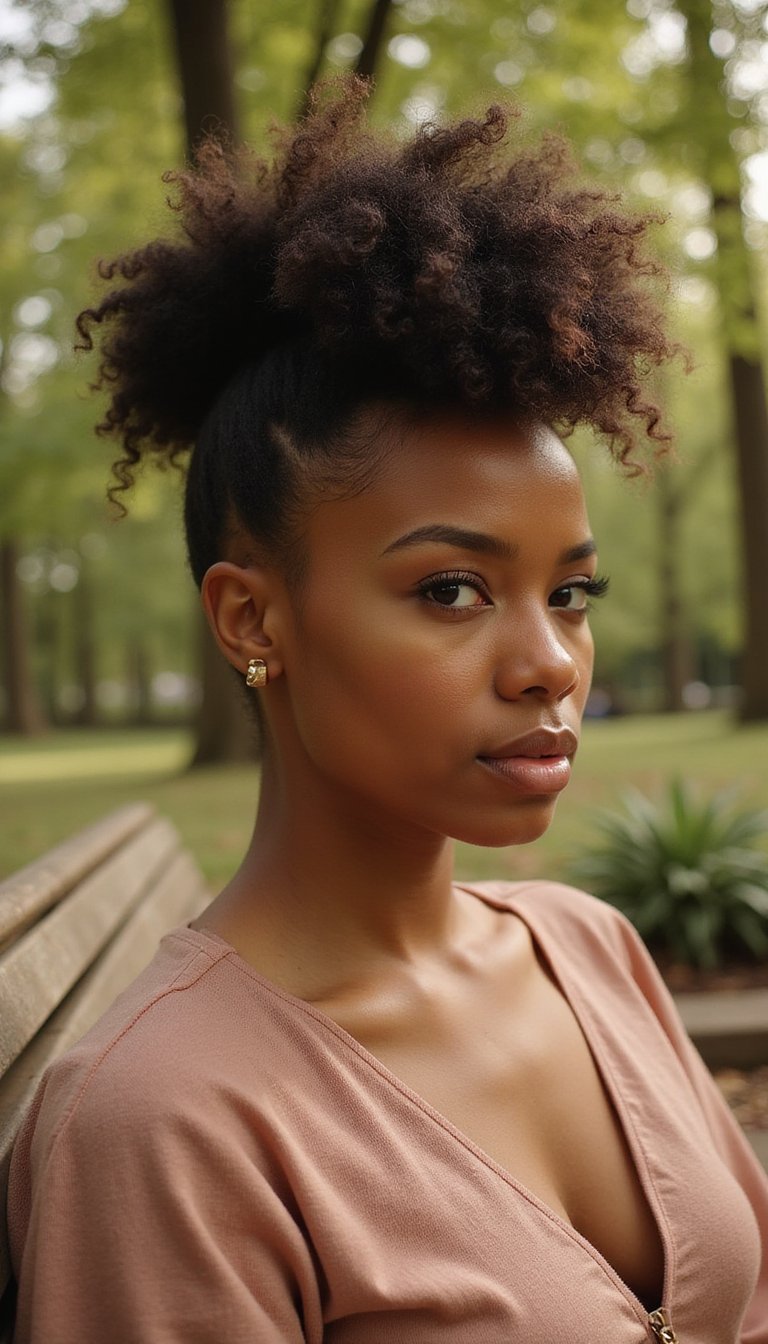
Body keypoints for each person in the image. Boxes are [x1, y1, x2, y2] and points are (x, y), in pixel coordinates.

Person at [7, 81, 768, 1343]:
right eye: (453, 588)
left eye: (571, 592)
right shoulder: (168, 1123)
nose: (551, 665)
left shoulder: (586, 950)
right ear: (253, 620)